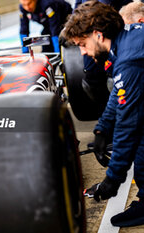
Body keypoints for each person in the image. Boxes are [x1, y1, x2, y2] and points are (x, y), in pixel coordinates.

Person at [63, 0, 144, 227]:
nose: (82, 51)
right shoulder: (126, 40)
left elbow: (129, 125)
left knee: (138, 136)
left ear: (98, 35)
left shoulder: (130, 60)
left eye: (82, 44)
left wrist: (112, 181)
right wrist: (102, 129)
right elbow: (118, 93)